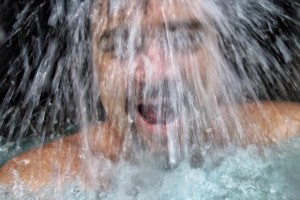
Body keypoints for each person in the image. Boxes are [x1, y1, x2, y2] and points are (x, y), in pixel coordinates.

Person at [0, 0, 299, 192]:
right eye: (120, 45)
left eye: (183, 39)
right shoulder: (30, 184)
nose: (158, 74)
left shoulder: (290, 138)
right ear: (93, 67)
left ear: (220, 51)